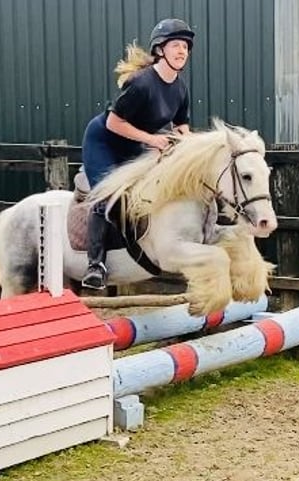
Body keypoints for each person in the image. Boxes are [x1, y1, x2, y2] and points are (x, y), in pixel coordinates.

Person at [80, 18, 195, 290]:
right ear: (160, 50)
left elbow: (182, 129)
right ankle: (95, 265)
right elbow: (113, 123)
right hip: (104, 141)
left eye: (186, 47)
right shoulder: (143, 83)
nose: (182, 51)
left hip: (135, 143)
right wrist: (153, 140)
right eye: (176, 45)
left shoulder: (180, 88)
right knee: (108, 196)